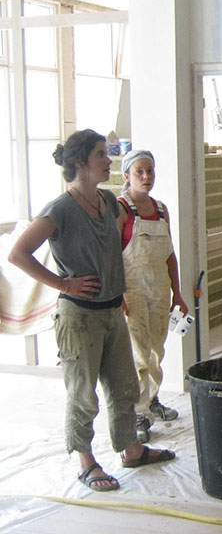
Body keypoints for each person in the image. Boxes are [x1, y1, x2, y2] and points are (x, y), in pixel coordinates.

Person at [7, 129, 175, 492]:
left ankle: (130, 448)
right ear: (81, 162)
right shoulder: (60, 209)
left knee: (125, 385)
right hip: (80, 316)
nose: (108, 161)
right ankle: (85, 460)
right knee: (83, 393)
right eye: (101, 154)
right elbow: (18, 254)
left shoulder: (108, 203)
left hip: (113, 310)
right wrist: (64, 284)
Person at [118, 149, 188, 443]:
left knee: (157, 350)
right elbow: (111, 254)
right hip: (132, 291)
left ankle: (152, 399)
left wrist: (178, 293)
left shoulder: (161, 209)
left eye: (150, 171)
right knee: (138, 354)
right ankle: (137, 413)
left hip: (159, 290)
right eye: (139, 172)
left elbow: (170, 255)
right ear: (127, 176)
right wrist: (118, 293)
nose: (146, 177)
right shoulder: (121, 208)